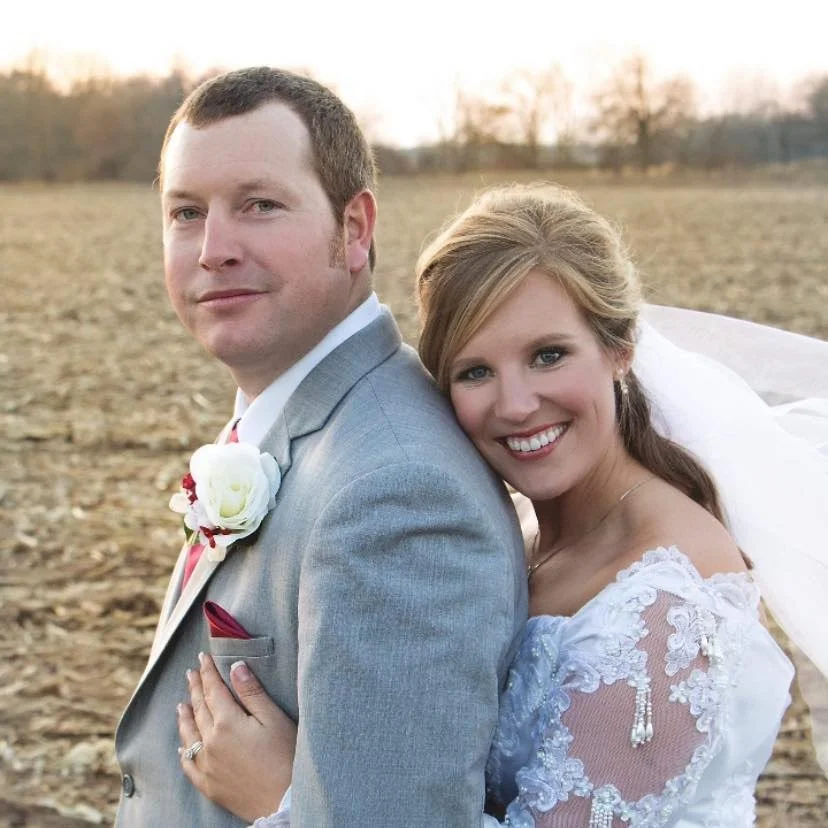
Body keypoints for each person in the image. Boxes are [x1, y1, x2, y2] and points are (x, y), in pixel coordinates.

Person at [176, 183, 828, 826]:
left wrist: (286, 801)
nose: (515, 404)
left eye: (548, 356)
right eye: (476, 371)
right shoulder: (509, 533)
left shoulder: (668, 604)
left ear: (619, 347)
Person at [113, 67, 528, 827]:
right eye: (185, 212)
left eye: (260, 205)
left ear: (355, 228)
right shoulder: (298, 420)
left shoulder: (397, 493)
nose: (212, 249)